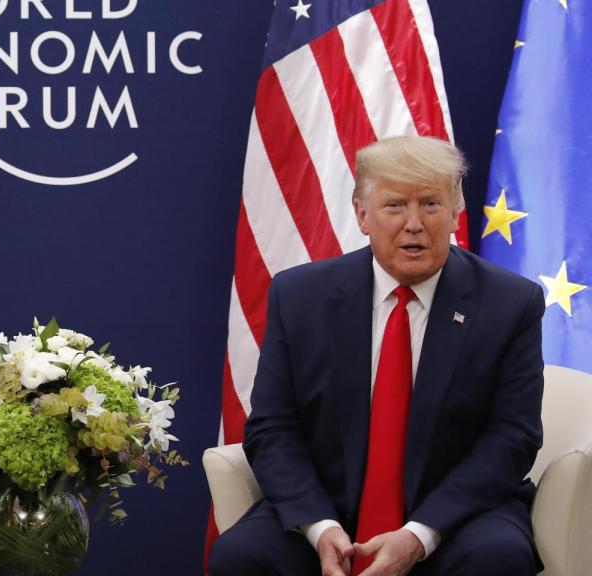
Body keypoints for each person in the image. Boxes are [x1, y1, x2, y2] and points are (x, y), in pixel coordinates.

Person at [209, 136, 544, 576]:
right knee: (241, 556)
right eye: (394, 206)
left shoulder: (509, 303)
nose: (414, 224)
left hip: (456, 516)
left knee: (497, 558)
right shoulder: (300, 297)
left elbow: (512, 437)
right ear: (362, 215)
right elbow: (273, 427)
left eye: (430, 204)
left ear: (455, 213)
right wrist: (320, 527)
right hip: (329, 509)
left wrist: (419, 535)